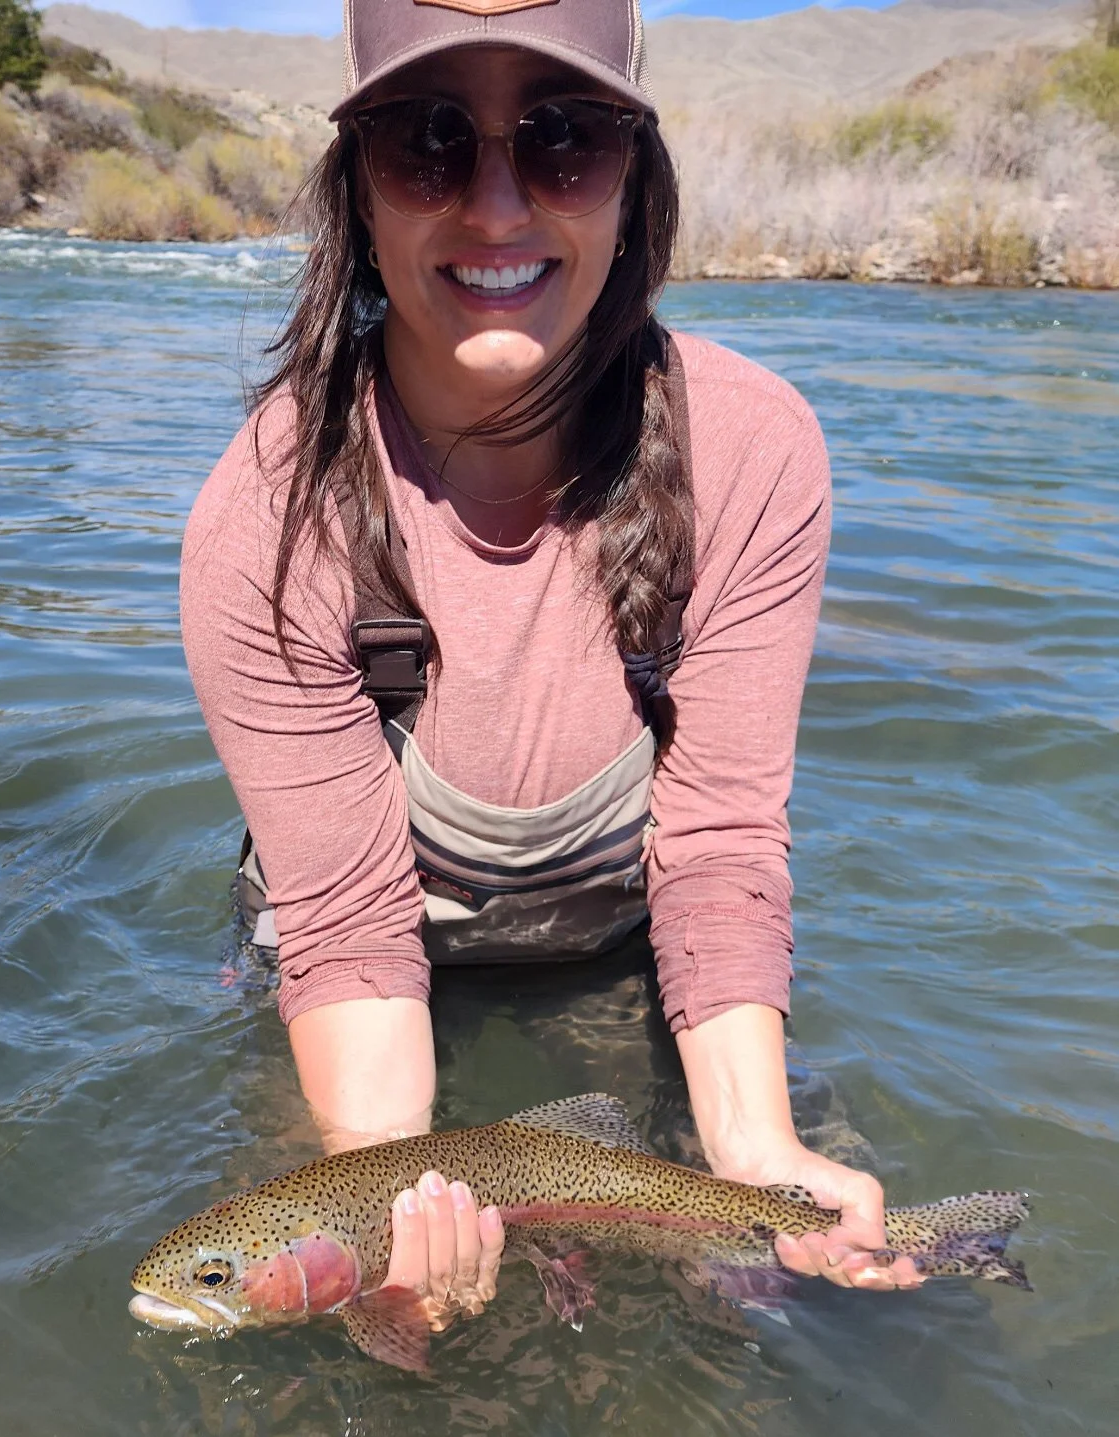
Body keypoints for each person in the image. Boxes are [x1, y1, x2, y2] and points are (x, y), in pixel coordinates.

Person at [180, 0, 922, 1330]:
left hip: (619, 942)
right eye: (427, 141)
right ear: (356, 188)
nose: (496, 206)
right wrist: (384, 1198)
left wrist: (755, 1151)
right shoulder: (265, 518)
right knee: (365, 1323)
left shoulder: (752, 453)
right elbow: (347, 924)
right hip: (361, 959)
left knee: (748, 1305)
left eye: (565, 137)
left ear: (636, 180)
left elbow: (717, 845)